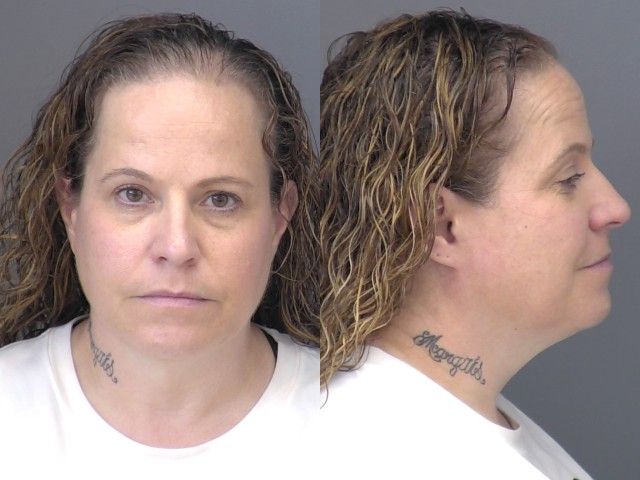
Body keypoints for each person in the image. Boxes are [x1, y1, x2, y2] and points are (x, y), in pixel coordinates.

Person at [0, 13, 318, 477]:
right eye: (132, 194)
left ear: (279, 216)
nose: (177, 246)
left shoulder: (367, 427)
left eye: (221, 199)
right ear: (71, 207)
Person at [318, 9, 629, 479]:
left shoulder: (442, 424)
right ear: (442, 225)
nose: (615, 208)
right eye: (569, 178)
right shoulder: (393, 455)